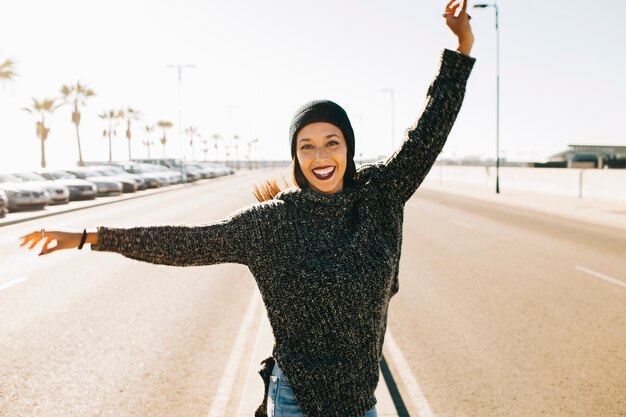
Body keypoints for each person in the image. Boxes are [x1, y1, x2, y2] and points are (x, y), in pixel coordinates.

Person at [20, 1, 474, 416]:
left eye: (331, 143)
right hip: (296, 400)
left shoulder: (380, 197)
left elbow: (429, 130)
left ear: (348, 150)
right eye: (307, 146)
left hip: (361, 403)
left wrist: (461, 48)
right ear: (295, 157)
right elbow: (186, 244)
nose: (321, 157)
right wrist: (90, 237)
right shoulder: (271, 224)